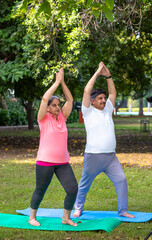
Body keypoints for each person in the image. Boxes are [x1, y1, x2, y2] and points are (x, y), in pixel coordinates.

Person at [73, 62, 135, 218]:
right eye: (100, 98)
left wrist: (108, 76)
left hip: (110, 157)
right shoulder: (87, 111)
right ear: (92, 101)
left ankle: (123, 210)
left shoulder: (107, 110)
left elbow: (113, 94)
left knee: (121, 179)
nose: (103, 100)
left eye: (103, 98)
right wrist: (97, 72)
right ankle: (78, 208)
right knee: (84, 184)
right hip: (93, 156)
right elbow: (87, 90)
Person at [29, 68, 78, 227]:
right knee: (40, 190)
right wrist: (56, 82)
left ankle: (66, 217)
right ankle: (32, 217)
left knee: (72, 188)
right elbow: (44, 99)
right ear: (48, 107)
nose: (58, 107)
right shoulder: (43, 118)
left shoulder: (62, 117)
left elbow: (70, 100)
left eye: (58, 105)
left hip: (63, 162)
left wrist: (63, 82)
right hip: (45, 162)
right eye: (54, 105)